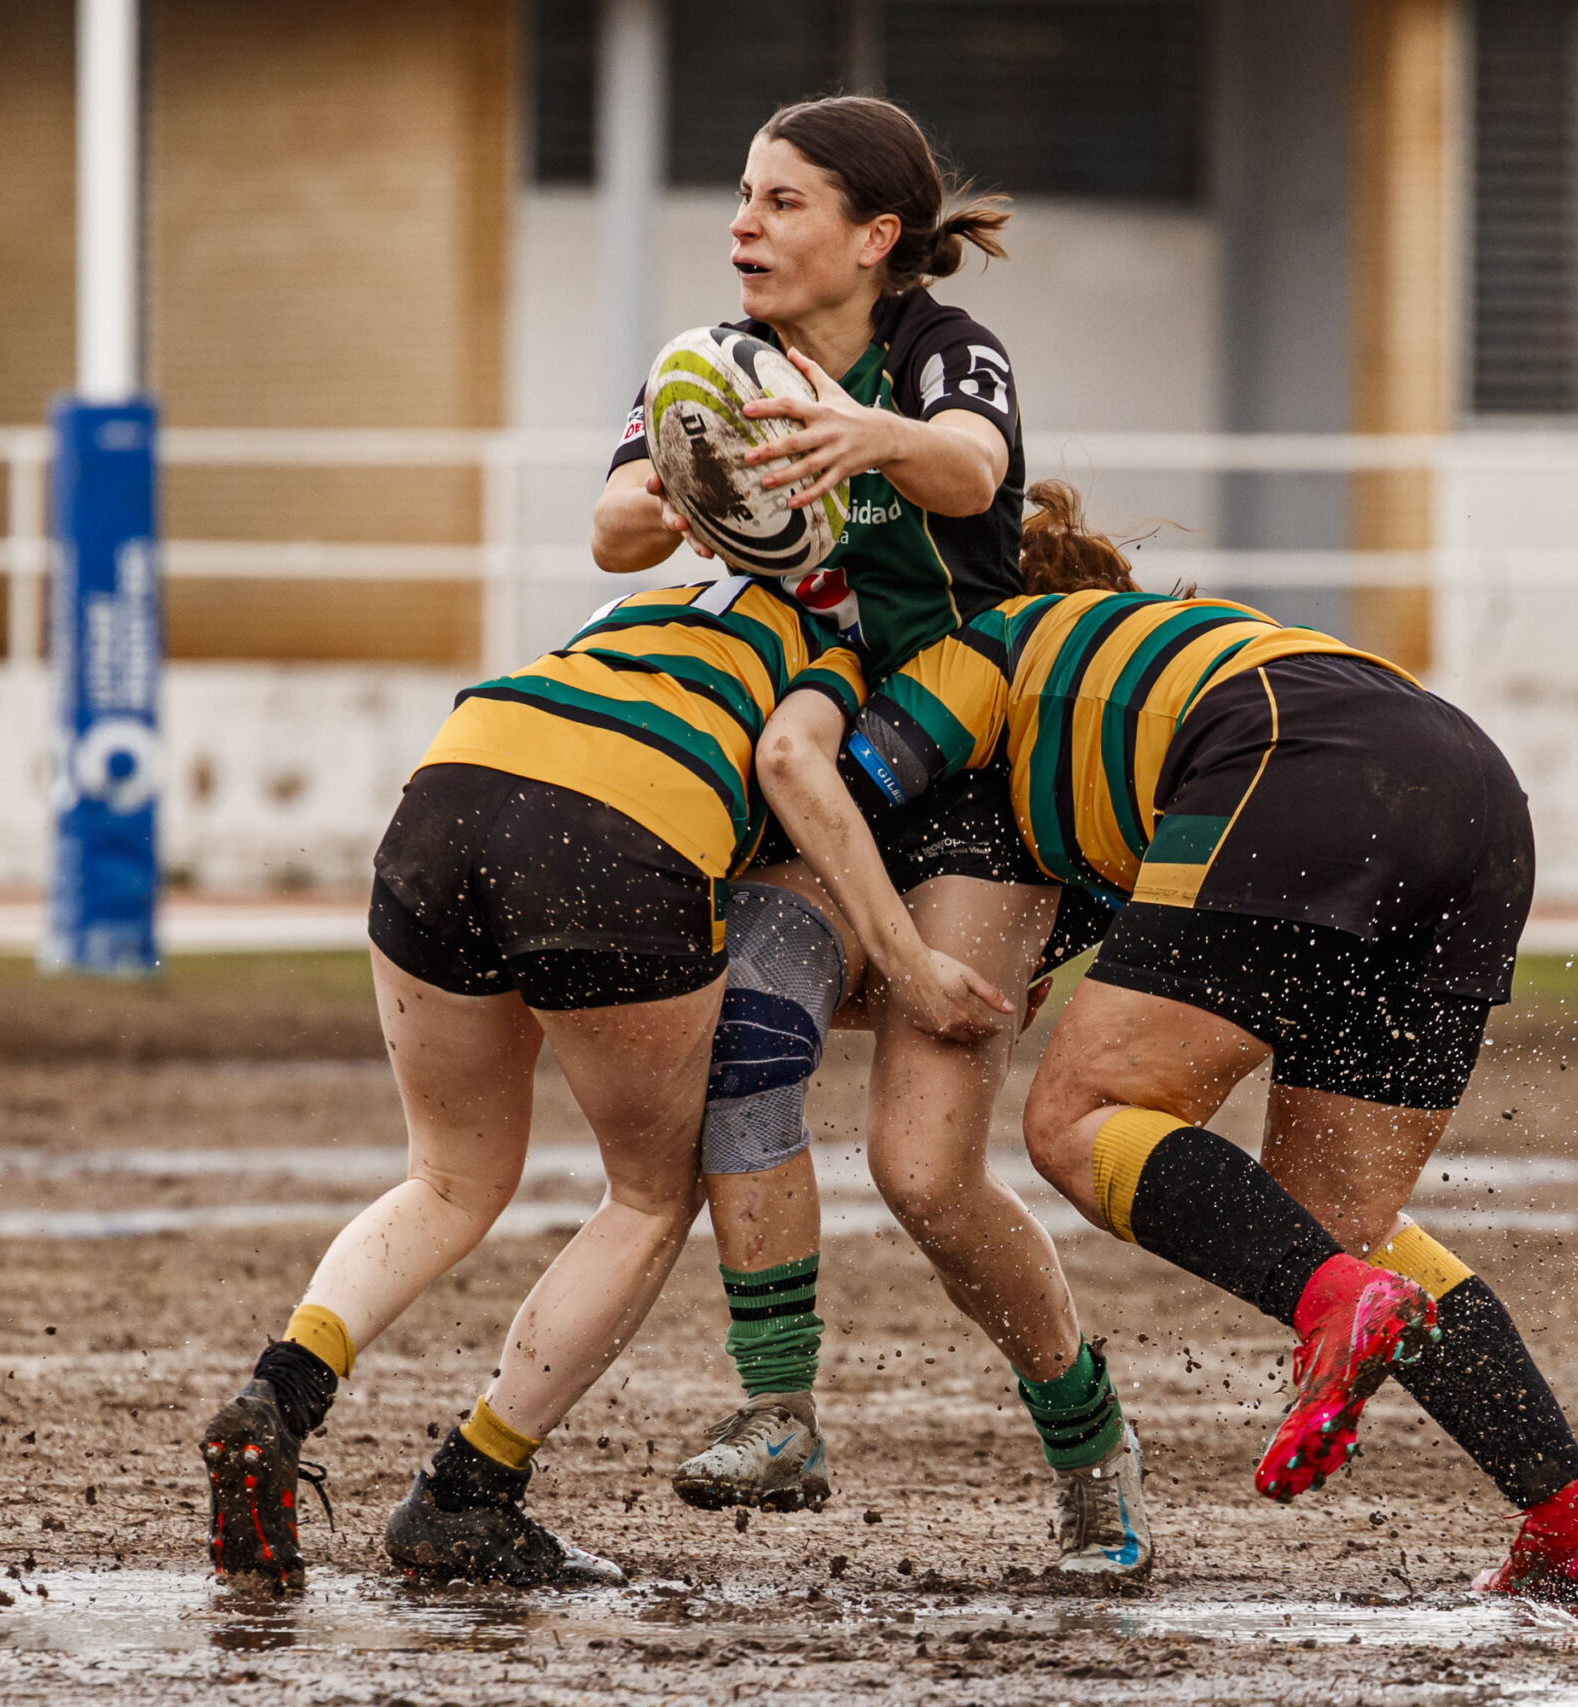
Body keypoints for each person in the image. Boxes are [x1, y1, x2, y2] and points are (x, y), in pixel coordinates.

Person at [755, 482, 1578, 1602]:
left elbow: (841, 789)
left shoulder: (988, 641)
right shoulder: (1139, 678)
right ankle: (1573, 1515)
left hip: (1289, 756)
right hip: (1475, 792)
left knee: (1075, 1122)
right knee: (1337, 1225)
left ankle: (1334, 1303)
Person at [592, 95, 1149, 1575]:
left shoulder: (941, 352)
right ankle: (781, 1409)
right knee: (750, 1041)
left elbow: (970, 472)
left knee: (926, 1175)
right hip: (828, 761)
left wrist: (868, 436)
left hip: (966, 779)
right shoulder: (720, 365)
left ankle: (1092, 1441)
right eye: (742, 196)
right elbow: (613, 529)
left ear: (875, 237)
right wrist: (680, 495)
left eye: (780, 202)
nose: (743, 226)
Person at [194, 573, 909, 1588]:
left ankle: (281, 1391)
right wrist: (902, 953)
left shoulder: (655, 599)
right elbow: (797, 768)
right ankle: (467, 1495)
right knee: (649, 1197)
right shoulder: (837, 646)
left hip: (449, 787)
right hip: (619, 831)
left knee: (445, 1178)